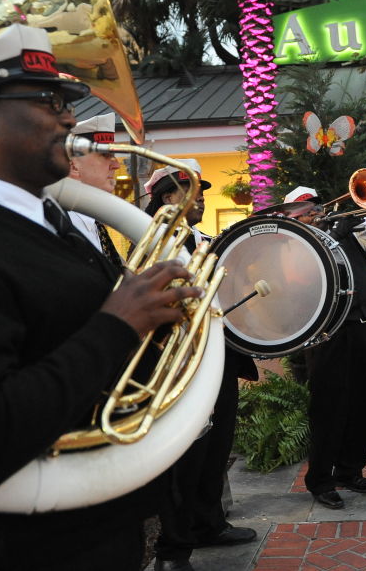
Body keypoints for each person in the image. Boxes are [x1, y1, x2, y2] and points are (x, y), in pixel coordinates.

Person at [0, 23, 197, 571]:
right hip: (19, 553)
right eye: (49, 102)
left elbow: (61, 336)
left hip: (90, 534)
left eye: (65, 102)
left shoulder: (42, 219)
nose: (68, 118)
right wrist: (120, 324)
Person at [143, 160, 260, 571]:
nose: (202, 201)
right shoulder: (151, 240)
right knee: (185, 456)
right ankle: (173, 551)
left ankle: (209, 524)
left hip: (217, 354)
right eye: (192, 193)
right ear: (168, 197)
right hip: (180, 361)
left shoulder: (203, 239)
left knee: (216, 446)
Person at [296, 195, 366, 509]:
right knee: (329, 407)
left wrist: (361, 222)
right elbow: (305, 275)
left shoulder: (348, 235)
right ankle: (320, 480)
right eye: (307, 213)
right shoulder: (296, 244)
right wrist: (334, 235)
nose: (315, 215)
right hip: (331, 333)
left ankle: (350, 471)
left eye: (317, 209)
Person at [66, 112, 125, 267]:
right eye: (105, 156)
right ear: (74, 166)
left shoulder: (91, 222)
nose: (116, 165)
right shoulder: (59, 223)